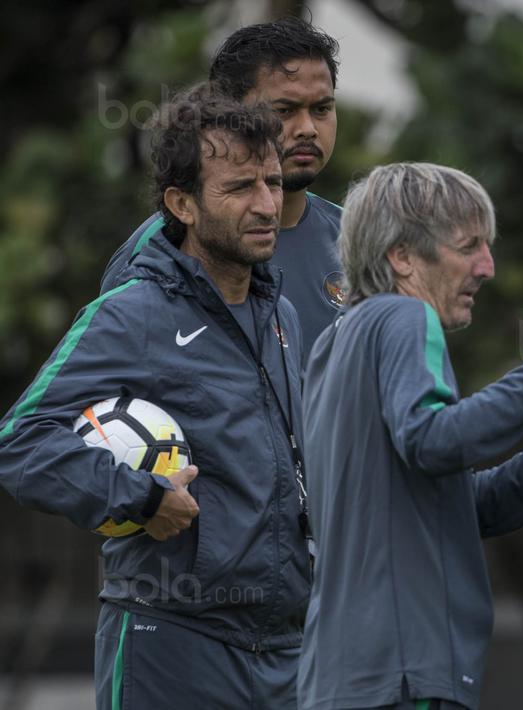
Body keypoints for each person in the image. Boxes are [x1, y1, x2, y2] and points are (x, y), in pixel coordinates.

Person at [0, 85, 312, 708]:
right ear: (182, 203)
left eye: (273, 183)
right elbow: (18, 444)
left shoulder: (283, 317)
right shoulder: (130, 314)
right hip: (170, 642)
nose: (266, 205)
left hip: (286, 656)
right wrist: (140, 497)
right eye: (239, 188)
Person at [298, 161, 523, 710]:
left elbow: (456, 508)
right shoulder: (401, 318)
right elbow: (435, 440)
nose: (488, 266)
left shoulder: (335, 341)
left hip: (346, 681)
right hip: (402, 677)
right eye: (468, 246)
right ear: (403, 256)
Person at [102, 16, 344, 358]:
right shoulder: (162, 245)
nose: (307, 128)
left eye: (321, 109)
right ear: (229, 113)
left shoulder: (360, 239)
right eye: (285, 110)